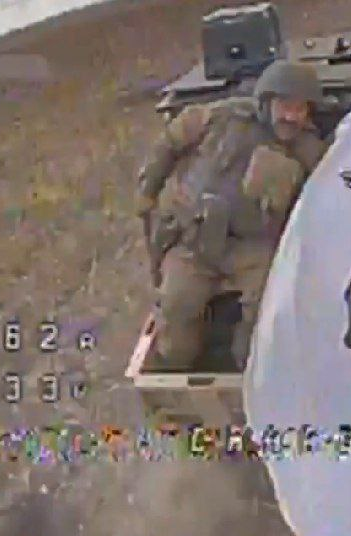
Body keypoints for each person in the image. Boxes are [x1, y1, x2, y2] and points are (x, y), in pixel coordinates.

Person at [135, 59, 328, 370]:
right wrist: (147, 192)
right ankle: (174, 373)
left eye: (300, 109)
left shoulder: (307, 148)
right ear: (267, 101)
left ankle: (250, 370)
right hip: (194, 240)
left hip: (255, 249)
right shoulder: (219, 117)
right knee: (176, 307)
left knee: (268, 311)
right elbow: (169, 144)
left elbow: (332, 186)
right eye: (285, 106)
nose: (291, 116)